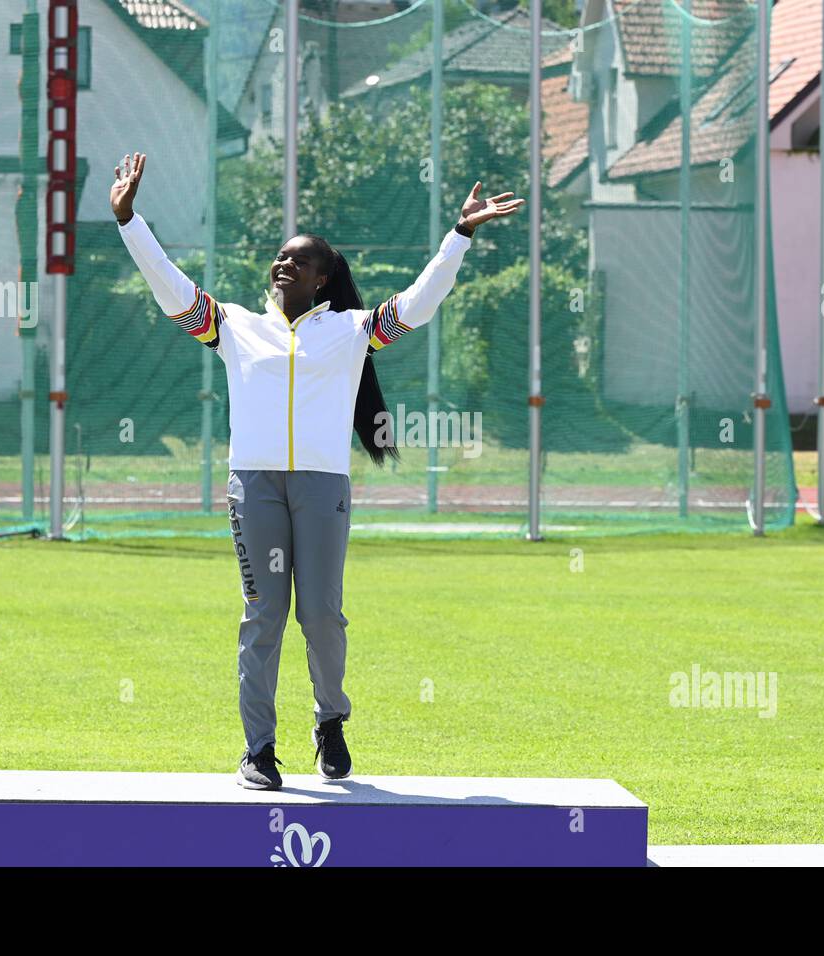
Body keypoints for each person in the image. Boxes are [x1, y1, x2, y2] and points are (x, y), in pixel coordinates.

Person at [112, 152, 523, 790]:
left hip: (322, 489)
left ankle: (330, 721)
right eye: (280, 256)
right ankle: (259, 750)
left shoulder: (355, 329)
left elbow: (419, 302)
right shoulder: (233, 326)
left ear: (323, 277)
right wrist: (129, 220)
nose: (284, 263)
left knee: (322, 616)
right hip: (254, 489)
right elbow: (170, 287)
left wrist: (459, 235)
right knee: (262, 616)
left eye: (299, 259)